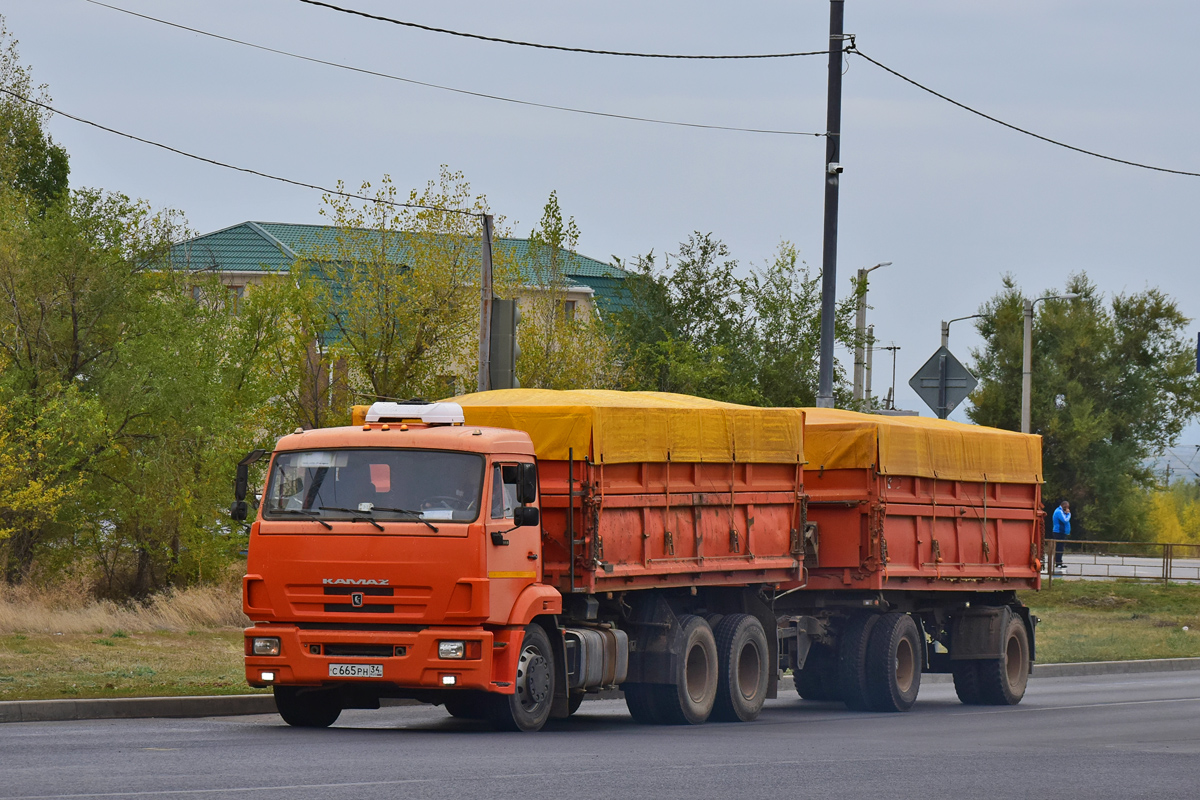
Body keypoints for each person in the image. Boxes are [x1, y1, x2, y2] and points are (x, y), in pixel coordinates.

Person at [1050, 500, 1071, 573]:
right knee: (1059, 547)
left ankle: (1059, 561)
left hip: (1061, 532)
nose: (1067, 509)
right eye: (1067, 507)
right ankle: (1058, 563)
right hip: (1058, 532)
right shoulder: (1059, 511)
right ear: (1064, 506)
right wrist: (1068, 514)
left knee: (1060, 547)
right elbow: (1065, 520)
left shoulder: (1061, 511)